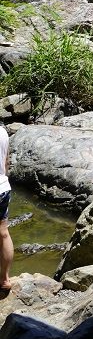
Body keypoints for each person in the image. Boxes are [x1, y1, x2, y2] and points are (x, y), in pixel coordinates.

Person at [0, 124, 12, 292]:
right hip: (2, 187)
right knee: (3, 233)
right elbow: (6, 162)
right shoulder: (2, 131)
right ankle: (4, 279)